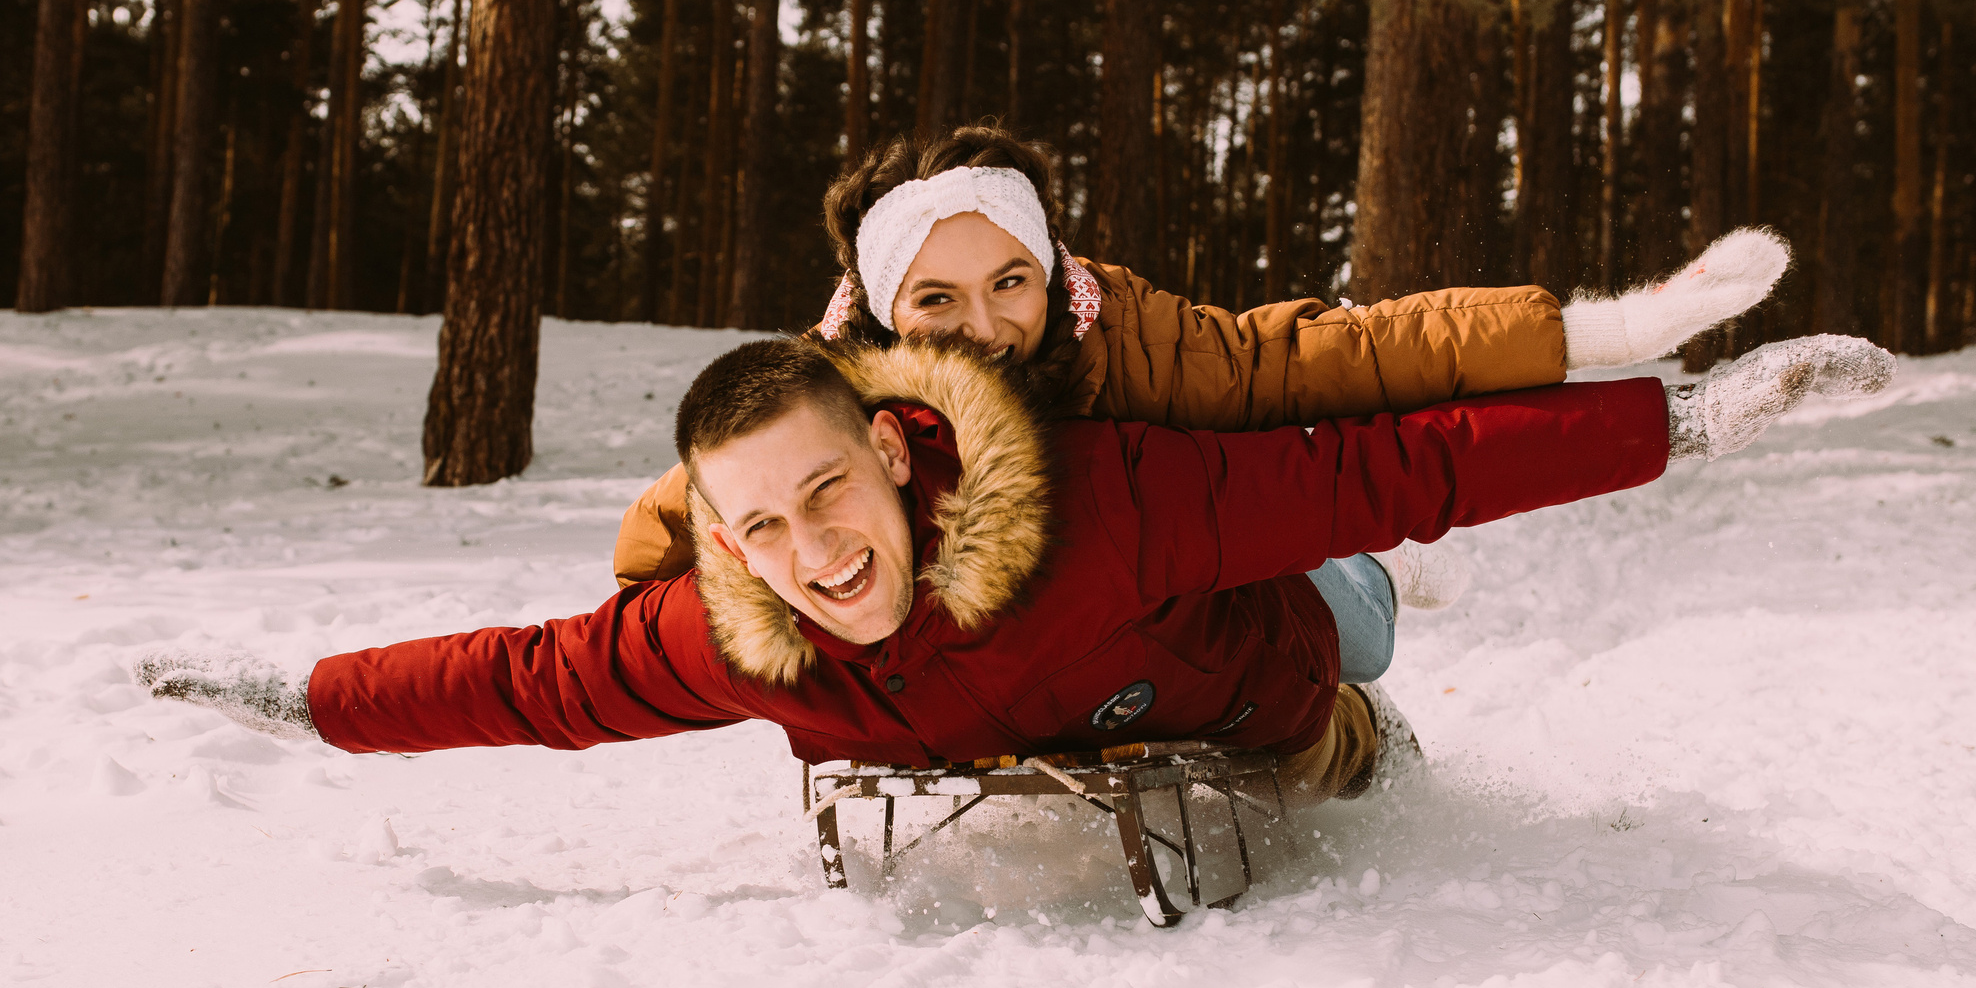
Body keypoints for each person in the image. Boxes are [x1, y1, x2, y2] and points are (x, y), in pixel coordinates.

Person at [139, 329, 1893, 809]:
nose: (812, 552)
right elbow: (531, 680)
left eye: (829, 494)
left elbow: (1407, 454)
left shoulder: (1097, 503)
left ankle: (1362, 619)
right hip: (1084, 721)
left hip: (1258, 677)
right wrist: (308, 704)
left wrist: (1687, 419)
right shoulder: (742, 631)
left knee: (1343, 604)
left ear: (894, 459)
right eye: (760, 525)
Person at [608, 125, 1794, 598]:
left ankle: (1356, 605)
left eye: (1008, 283)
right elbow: (689, 521)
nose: (982, 324)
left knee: (1350, 623)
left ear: (1049, 272)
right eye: (935, 299)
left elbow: (1351, 355)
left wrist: (1613, 334)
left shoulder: (1122, 334)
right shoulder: (822, 397)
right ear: (878, 305)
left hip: (1197, 581)